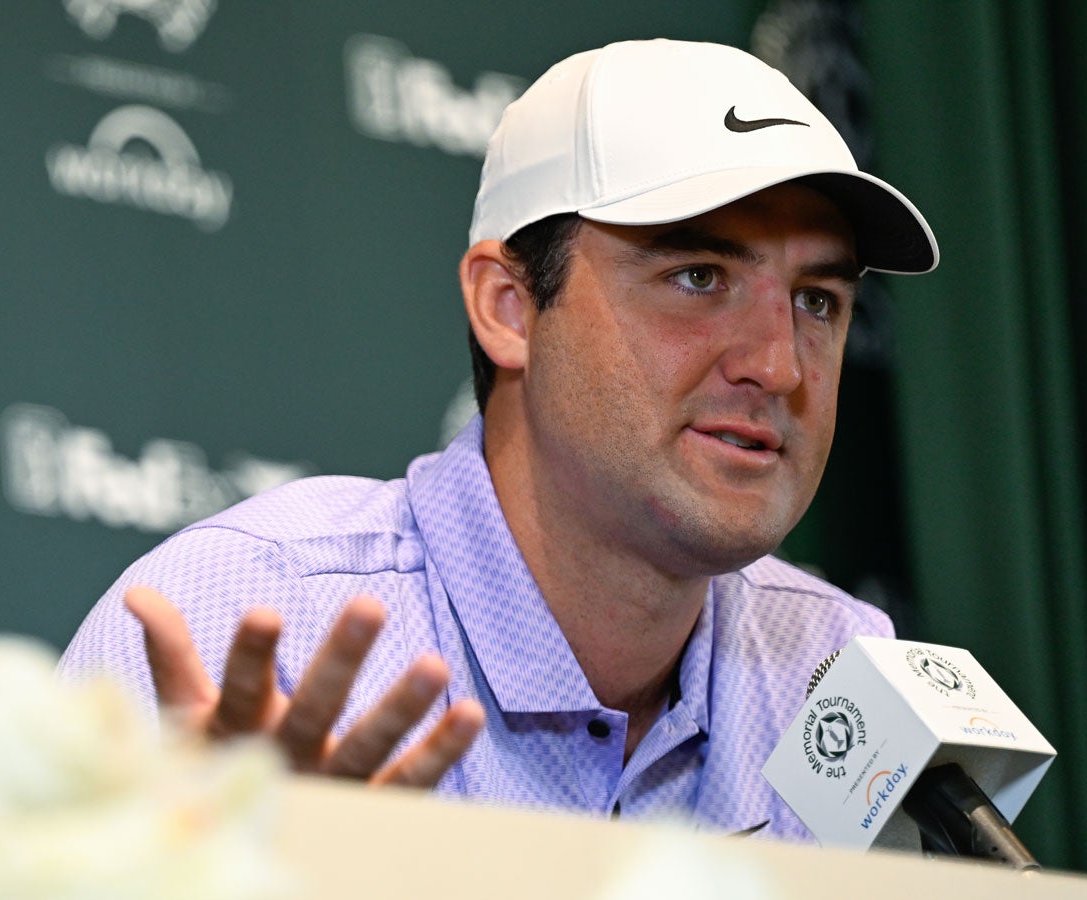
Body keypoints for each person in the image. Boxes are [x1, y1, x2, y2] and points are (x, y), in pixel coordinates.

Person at [59, 38, 937, 840]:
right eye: (698, 277)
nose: (779, 365)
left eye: (817, 301)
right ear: (508, 309)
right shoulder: (245, 624)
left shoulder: (841, 676)